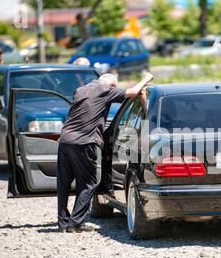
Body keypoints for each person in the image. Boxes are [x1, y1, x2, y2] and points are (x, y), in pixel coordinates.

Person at [57, 72, 154, 233]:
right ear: (112, 86)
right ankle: (75, 224)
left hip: (65, 140)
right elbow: (132, 92)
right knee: (89, 183)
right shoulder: (104, 89)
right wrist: (145, 79)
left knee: (63, 183)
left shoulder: (80, 90)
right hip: (84, 142)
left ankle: (62, 223)